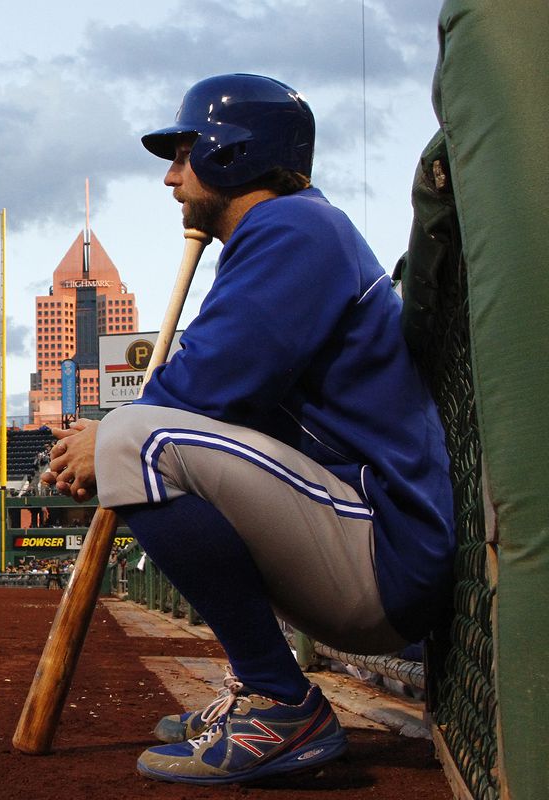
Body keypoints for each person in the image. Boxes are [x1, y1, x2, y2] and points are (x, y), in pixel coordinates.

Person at [42, 74, 454, 785]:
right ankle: (263, 690)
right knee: (129, 433)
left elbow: (211, 382)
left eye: (183, 153)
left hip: (387, 547)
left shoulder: (295, 228)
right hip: (360, 536)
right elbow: (221, 389)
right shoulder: (287, 233)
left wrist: (104, 438)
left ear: (231, 155)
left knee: (135, 440)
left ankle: (279, 700)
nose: (171, 177)